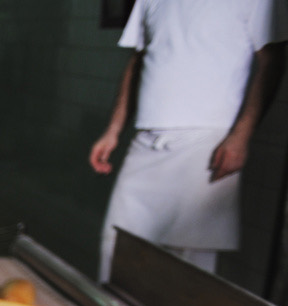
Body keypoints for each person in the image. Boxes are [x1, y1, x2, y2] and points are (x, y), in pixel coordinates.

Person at [89, 0, 287, 281]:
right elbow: (138, 60)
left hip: (206, 142)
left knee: (189, 269)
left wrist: (240, 137)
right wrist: (113, 130)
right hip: (146, 140)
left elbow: (272, 61)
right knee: (115, 246)